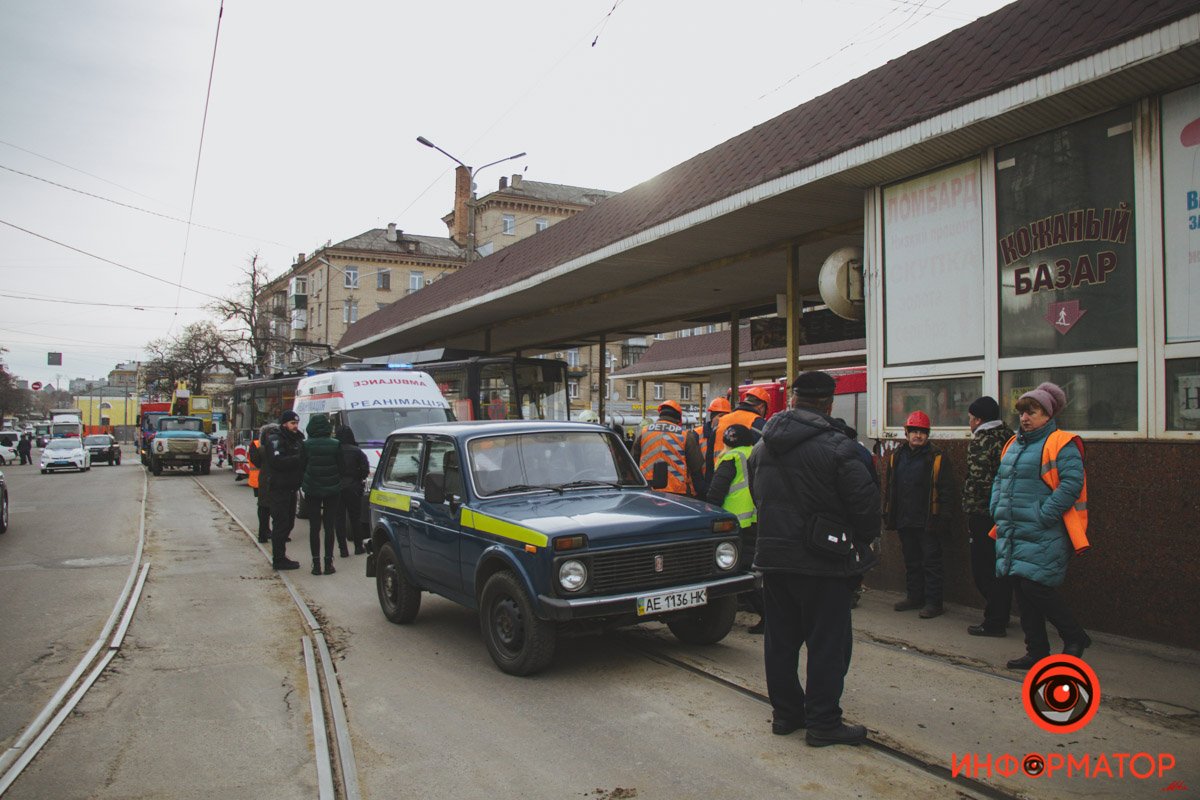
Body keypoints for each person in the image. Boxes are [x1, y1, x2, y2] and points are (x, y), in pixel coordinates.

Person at [748, 371, 880, 748]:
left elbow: (759, 495)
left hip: (774, 558)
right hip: (824, 561)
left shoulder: (762, 446)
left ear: (793, 400)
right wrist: (858, 542)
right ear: (828, 403)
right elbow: (866, 509)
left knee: (780, 642)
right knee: (828, 644)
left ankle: (786, 715)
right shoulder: (839, 447)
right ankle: (823, 722)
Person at [990, 382, 1091, 669]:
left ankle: (1074, 636)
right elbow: (1000, 479)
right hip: (1014, 529)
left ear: (1048, 415)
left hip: (1044, 530)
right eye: (1022, 412)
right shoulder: (1013, 444)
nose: (1024, 418)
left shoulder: (1061, 442)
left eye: (1031, 412)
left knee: (1036, 587)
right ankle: (1036, 651)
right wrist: (996, 507)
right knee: (1022, 592)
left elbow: (1072, 483)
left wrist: (1045, 514)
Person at [883, 410, 955, 619]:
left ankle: (934, 602)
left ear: (927, 434)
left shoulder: (937, 457)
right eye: (914, 431)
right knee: (911, 560)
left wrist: (943, 517)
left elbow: (947, 490)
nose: (918, 435)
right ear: (906, 433)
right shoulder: (897, 456)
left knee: (931, 562)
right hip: (905, 518)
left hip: (928, 520)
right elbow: (891, 487)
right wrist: (888, 513)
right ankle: (914, 597)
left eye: (922, 432)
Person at [962, 396, 1014, 637]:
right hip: (1007, 512)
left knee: (984, 569)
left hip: (984, 513)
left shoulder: (982, 441)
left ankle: (995, 620)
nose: (970, 422)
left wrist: (971, 503)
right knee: (1000, 566)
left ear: (978, 420)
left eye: (971, 418)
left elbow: (980, 480)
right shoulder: (1009, 436)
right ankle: (1001, 612)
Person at [707, 423, 763, 633]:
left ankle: (767, 614)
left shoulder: (731, 458)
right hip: (757, 518)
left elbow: (716, 491)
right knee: (755, 566)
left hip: (735, 521)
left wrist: (710, 514)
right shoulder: (757, 453)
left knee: (740, 569)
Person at [631, 400, 703, 496]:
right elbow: (696, 466)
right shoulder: (685, 435)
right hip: (677, 492)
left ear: (660, 415)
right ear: (678, 417)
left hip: (648, 489)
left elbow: (633, 461)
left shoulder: (644, 432)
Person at [301, 414, 343, 575]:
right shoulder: (336, 444)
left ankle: (316, 564)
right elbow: (342, 467)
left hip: (312, 489)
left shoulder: (306, 445)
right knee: (329, 526)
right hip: (332, 490)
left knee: (314, 527)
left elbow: (301, 465)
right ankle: (328, 563)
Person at [263, 411, 304, 570]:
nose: (295, 426)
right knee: (280, 524)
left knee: (288, 523)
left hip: (291, 487)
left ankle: (281, 556)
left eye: (296, 423)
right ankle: (279, 559)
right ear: (284, 424)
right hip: (279, 488)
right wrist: (298, 459)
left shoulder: (296, 438)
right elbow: (277, 461)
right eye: (292, 423)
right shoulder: (275, 439)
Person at [336, 425, 370, 555]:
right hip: (354, 487)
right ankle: (358, 546)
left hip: (337, 487)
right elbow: (365, 470)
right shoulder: (357, 451)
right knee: (355, 518)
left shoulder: (335, 450)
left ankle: (343, 549)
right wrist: (358, 478)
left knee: (339, 519)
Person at [715, 386, 769, 455]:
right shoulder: (760, 425)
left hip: (718, 461)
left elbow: (709, 453)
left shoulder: (721, 420)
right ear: (761, 407)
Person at [694, 397, 731, 496]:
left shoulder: (730, 434)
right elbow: (693, 464)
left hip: (722, 484)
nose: (723, 419)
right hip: (702, 487)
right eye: (720, 416)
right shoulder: (697, 434)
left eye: (726, 416)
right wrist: (701, 486)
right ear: (712, 416)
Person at [249, 423, 279, 544]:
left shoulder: (260, 447)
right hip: (263, 481)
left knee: (263, 507)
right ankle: (267, 532)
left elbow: (256, 461)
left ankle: (264, 533)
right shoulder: (275, 447)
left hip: (262, 480)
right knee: (270, 508)